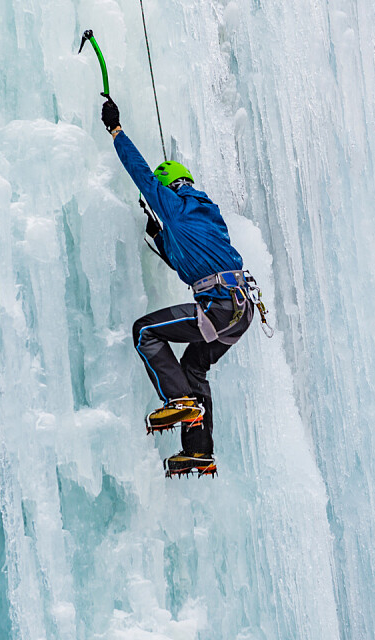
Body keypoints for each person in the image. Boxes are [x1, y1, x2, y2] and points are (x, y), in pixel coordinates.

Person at [102, 98, 254, 478]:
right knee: (194, 366)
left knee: (145, 332)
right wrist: (161, 235)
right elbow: (194, 260)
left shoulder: (172, 203)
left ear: (169, 187)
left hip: (217, 310)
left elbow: (142, 175)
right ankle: (199, 452)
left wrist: (116, 130)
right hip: (241, 312)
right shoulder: (207, 212)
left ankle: (178, 399)